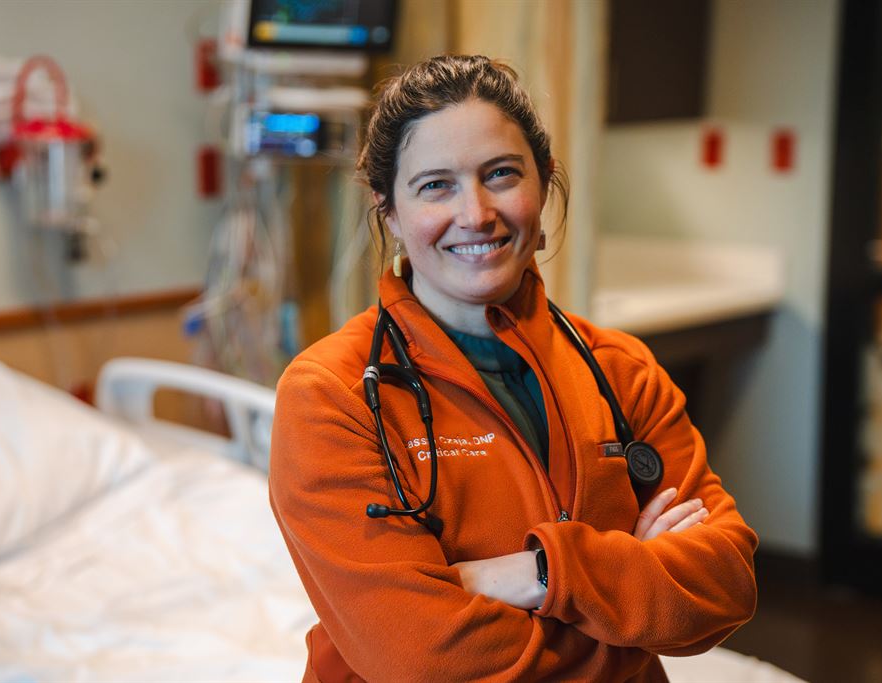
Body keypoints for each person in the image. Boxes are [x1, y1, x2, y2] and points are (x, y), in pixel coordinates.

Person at [269, 54, 758, 682]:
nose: (475, 214)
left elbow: (724, 586)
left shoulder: (620, 370)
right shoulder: (332, 395)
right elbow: (419, 656)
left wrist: (542, 573)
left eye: (500, 174)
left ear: (544, 179)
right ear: (388, 209)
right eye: (435, 185)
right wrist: (631, 595)